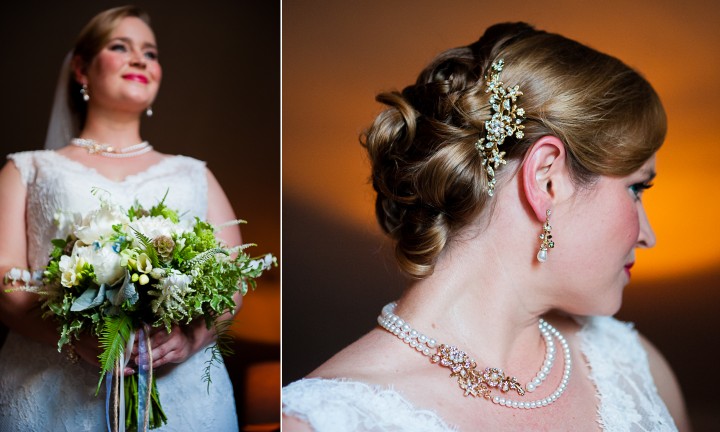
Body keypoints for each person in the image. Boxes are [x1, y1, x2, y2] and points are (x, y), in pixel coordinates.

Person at [282, 22, 690, 431]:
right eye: (637, 188)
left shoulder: (633, 367)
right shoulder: (327, 419)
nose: (648, 235)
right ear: (547, 179)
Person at [0, 6, 241, 430]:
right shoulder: (28, 170)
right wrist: (76, 336)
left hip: (186, 399)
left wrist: (191, 338)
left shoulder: (193, 173)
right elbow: (4, 279)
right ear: (81, 69)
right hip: (53, 396)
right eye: (120, 46)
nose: (139, 60)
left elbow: (234, 276)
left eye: (150, 53)